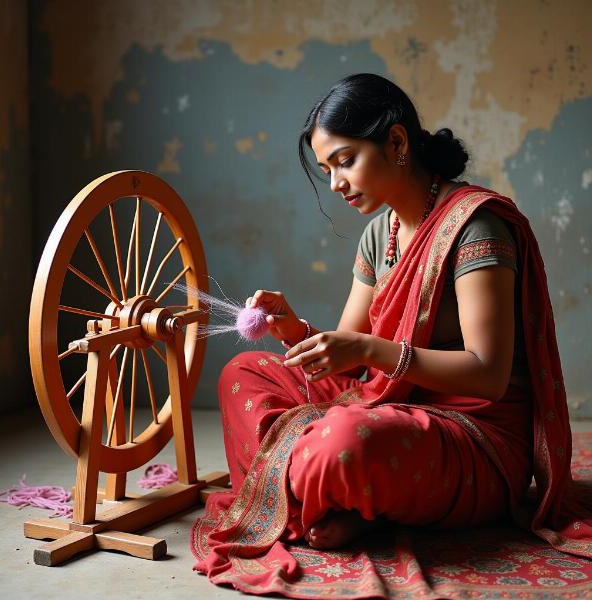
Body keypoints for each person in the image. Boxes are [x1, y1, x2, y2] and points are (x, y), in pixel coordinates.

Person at [191, 73, 591, 595]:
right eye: (326, 169)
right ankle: (342, 501)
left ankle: (312, 495)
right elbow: (354, 361)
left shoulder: (475, 227)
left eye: (344, 160)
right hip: (388, 405)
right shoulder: (380, 234)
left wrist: (371, 352)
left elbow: (489, 375)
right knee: (243, 373)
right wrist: (296, 330)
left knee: (341, 442)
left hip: (471, 437)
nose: (335, 182)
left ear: (397, 143)